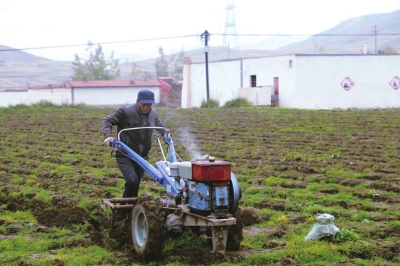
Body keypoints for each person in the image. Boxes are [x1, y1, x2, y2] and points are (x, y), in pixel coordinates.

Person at [102, 89, 168, 219]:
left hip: (142, 157)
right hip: (125, 154)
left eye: (150, 104)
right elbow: (107, 121)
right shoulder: (126, 112)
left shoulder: (153, 114)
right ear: (138, 102)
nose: (147, 107)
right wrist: (108, 137)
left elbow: (160, 126)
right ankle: (122, 214)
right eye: (144, 104)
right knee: (132, 180)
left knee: (135, 184)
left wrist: (165, 133)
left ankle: (129, 212)